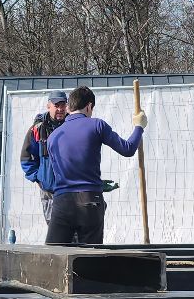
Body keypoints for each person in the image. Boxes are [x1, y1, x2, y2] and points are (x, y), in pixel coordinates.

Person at [43, 85, 145, 245]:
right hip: (90, 199)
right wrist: (139, 127)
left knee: (54, 255)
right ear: (89, 106)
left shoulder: (52, 137)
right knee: (90, 258)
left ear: (69, 107)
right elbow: (128, 149)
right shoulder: (97, 125)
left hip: (62, 201)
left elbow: (61, 170)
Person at [18, 89, 70, 223]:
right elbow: (26, 158)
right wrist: (39, 179)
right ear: (49, 106)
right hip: (49, 191)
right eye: (56, 105)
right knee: (55, 233)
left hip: (72, 190)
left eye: (63, 105)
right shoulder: (37, 129)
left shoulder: (73, 125)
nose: (60, 109)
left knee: (74, 234)